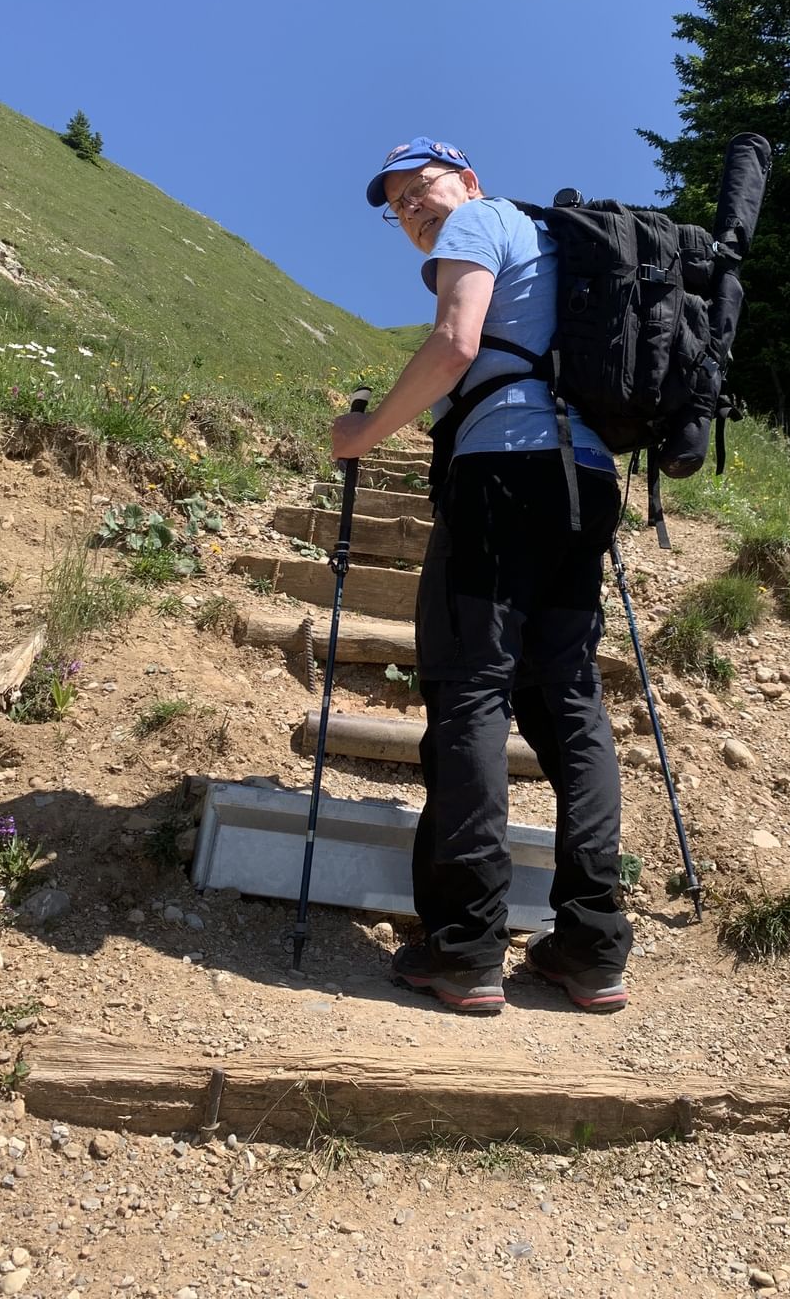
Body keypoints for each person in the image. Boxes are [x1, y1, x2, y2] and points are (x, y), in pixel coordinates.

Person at [330, 136, 634, 1014]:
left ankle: (465, 948)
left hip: (502, 477)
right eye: (397, 207)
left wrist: (363, 435)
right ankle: (592, 947)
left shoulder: (478, 221)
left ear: (465, 179)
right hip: (584, 481)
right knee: (570, 705)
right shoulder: (553, 245)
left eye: (419, 188)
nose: (412, 211)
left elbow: (455, 343)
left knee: (470, 694)